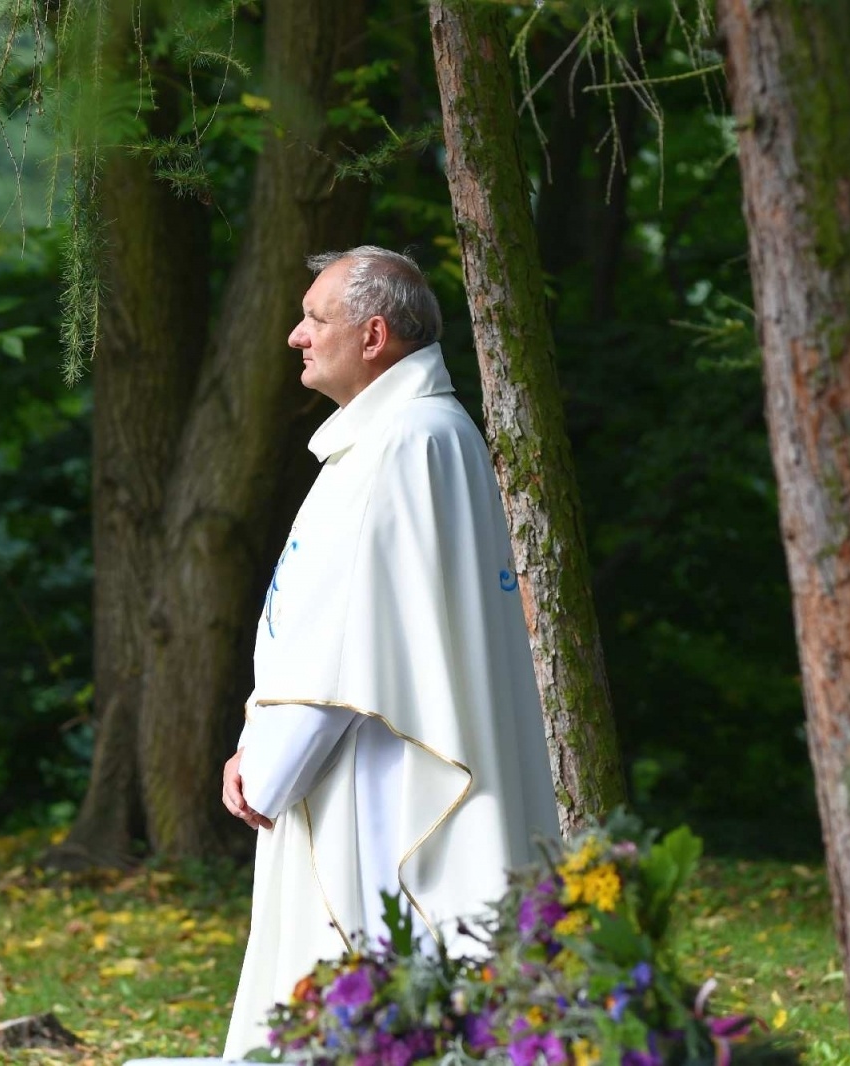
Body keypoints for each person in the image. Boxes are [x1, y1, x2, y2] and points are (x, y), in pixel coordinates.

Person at [218, 246, 561, 1059]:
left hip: (379, 773)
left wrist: (265, 764)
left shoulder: (406, 442)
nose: (297, 336)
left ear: (373, 336)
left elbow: (347, 640)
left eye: (315, 319)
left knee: (372, 959)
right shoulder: (414, 433)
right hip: (364, 749)